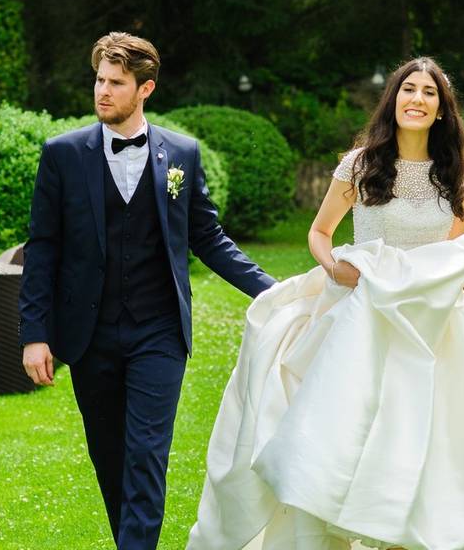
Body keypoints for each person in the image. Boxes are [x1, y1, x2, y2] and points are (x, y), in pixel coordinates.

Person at [188, 57, 464, 549]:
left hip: (432, 328)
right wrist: (335, 268)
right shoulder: (360, 164)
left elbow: (453, 250)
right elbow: (320, 232)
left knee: (433, 440)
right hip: (362, 320)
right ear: (393, 100)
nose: (416, 99)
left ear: (441, 110)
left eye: (429, 93)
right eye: (408, 90)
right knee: (347, 434)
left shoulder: (456, 173)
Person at [18, 32, 276, 549]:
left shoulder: (181, 154)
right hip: (88, 334)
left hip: (158, 331)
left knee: (146, 454)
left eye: (116, 83)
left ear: (146, 88)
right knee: (110, 457)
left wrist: (276, 292)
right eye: (99, 80)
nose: (103, 92)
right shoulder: (62, 155)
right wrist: (34, 334)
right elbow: (43, 248)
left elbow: (209, 238)